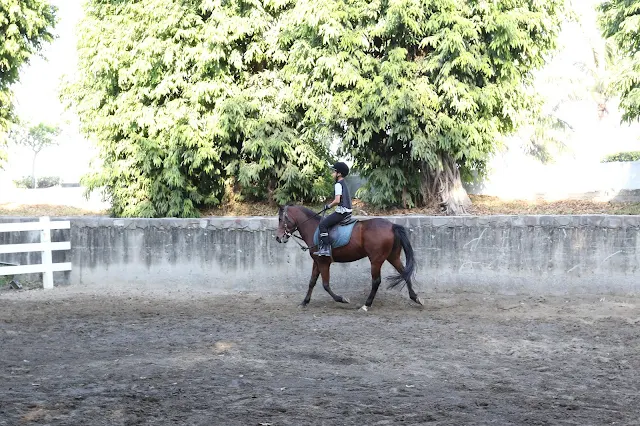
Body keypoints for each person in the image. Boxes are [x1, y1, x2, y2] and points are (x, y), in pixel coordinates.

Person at [314, 162, 353, 257]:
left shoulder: (338, 184)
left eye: (333, 172)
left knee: (323, 225)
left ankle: (326, 248)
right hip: (347, 210)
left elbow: (337, 200)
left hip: (342, 212)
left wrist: (328, 206)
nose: (332, 174)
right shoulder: (343, 183)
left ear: (339, 174)